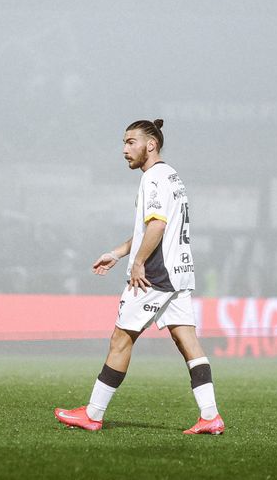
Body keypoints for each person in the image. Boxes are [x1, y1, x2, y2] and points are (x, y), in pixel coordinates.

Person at [54, 119, 224, 435]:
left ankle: (92, 413)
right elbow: (152, 228)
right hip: (179, 272)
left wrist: (138, 264)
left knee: (121, 338)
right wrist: (119, 253)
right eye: (124, 142)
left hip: (155, 276)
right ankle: (210, 416)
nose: (124, 149)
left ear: (151, 144)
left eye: (131, 142)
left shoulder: (154, 179)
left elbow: (157, 227)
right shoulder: (172, 176)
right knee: (187, 340)